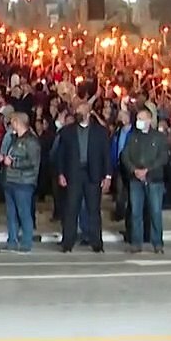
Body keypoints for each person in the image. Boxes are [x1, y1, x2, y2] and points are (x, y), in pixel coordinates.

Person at [56, 102, 112, 253]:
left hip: (93, 175)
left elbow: (106, 155)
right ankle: (67, 243)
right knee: (71, 209)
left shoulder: (100, 131)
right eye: (76, 111)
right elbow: (60, 155)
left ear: (88, 112)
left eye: (80, 111)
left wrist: (107, 176)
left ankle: (96, 243)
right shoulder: (67, 131)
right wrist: (61, 173)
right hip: (74, 174)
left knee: (93, 210)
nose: (77, 113)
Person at [121, 108, 170, 254]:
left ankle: (157, 243)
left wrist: (147, 170)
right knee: (136, 212)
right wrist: (134, 170)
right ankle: (136, 243)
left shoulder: (159, 137)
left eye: (142, 119)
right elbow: (125, 155)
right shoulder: (132, 136)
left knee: (155, 212)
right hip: (135, 180)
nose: (139, 122)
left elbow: (163, 157)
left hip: (154, 180)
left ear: (149, 120)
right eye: (138, 118)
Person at [0, 112, 40, 253]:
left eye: (12, 122)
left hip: (24, 182)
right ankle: (12, 241)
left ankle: (26, 243)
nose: (11, 125)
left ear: (17, 122)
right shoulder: (14, 139)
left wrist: (13, 162)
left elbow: (33, 162)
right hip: (10, 180)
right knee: (11, 214)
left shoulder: (31, 141)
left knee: (24, 212)